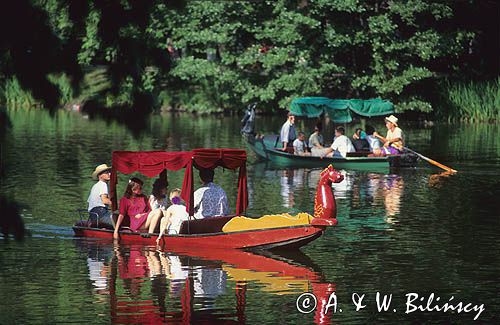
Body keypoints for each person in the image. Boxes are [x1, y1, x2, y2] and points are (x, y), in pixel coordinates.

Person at [87, 164, 113, 228]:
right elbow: (104, 200)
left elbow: (90, 202)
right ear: (100, 176)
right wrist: (118, 204)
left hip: (92, 216)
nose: (109, 174)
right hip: (101, 214)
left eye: (109, 172)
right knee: (120, 221)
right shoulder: (103, 184)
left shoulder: (95, 186)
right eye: (107, 173)